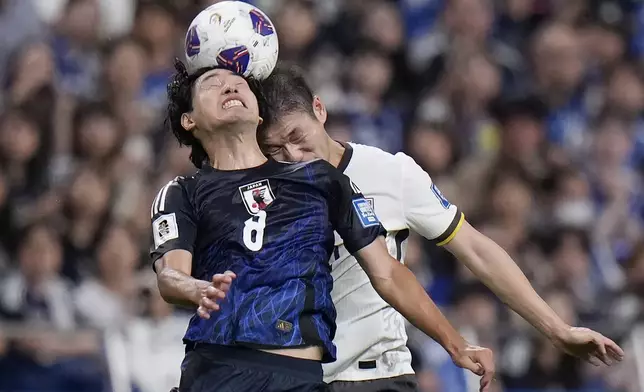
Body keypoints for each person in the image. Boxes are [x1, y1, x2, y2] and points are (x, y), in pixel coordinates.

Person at [254, 64, 626, 392]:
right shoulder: (258, 194)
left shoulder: (390, 174)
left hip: (375, 378)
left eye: (297, 138)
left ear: (319, 110)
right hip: (292, 377)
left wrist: (557, 329)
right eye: (275, 148)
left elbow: (477, 251)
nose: (291, 157)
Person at [152, 60, 494, 392]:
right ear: (189, 120)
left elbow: (388, 273)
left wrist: (455, 343)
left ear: (258, 115)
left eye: (238, 83)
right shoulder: (182, 192)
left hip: (301, 375)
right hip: (218, 369)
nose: (229, 85)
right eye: (212, 84)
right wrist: (196, 289)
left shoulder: (322, 179)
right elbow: (169, 277)